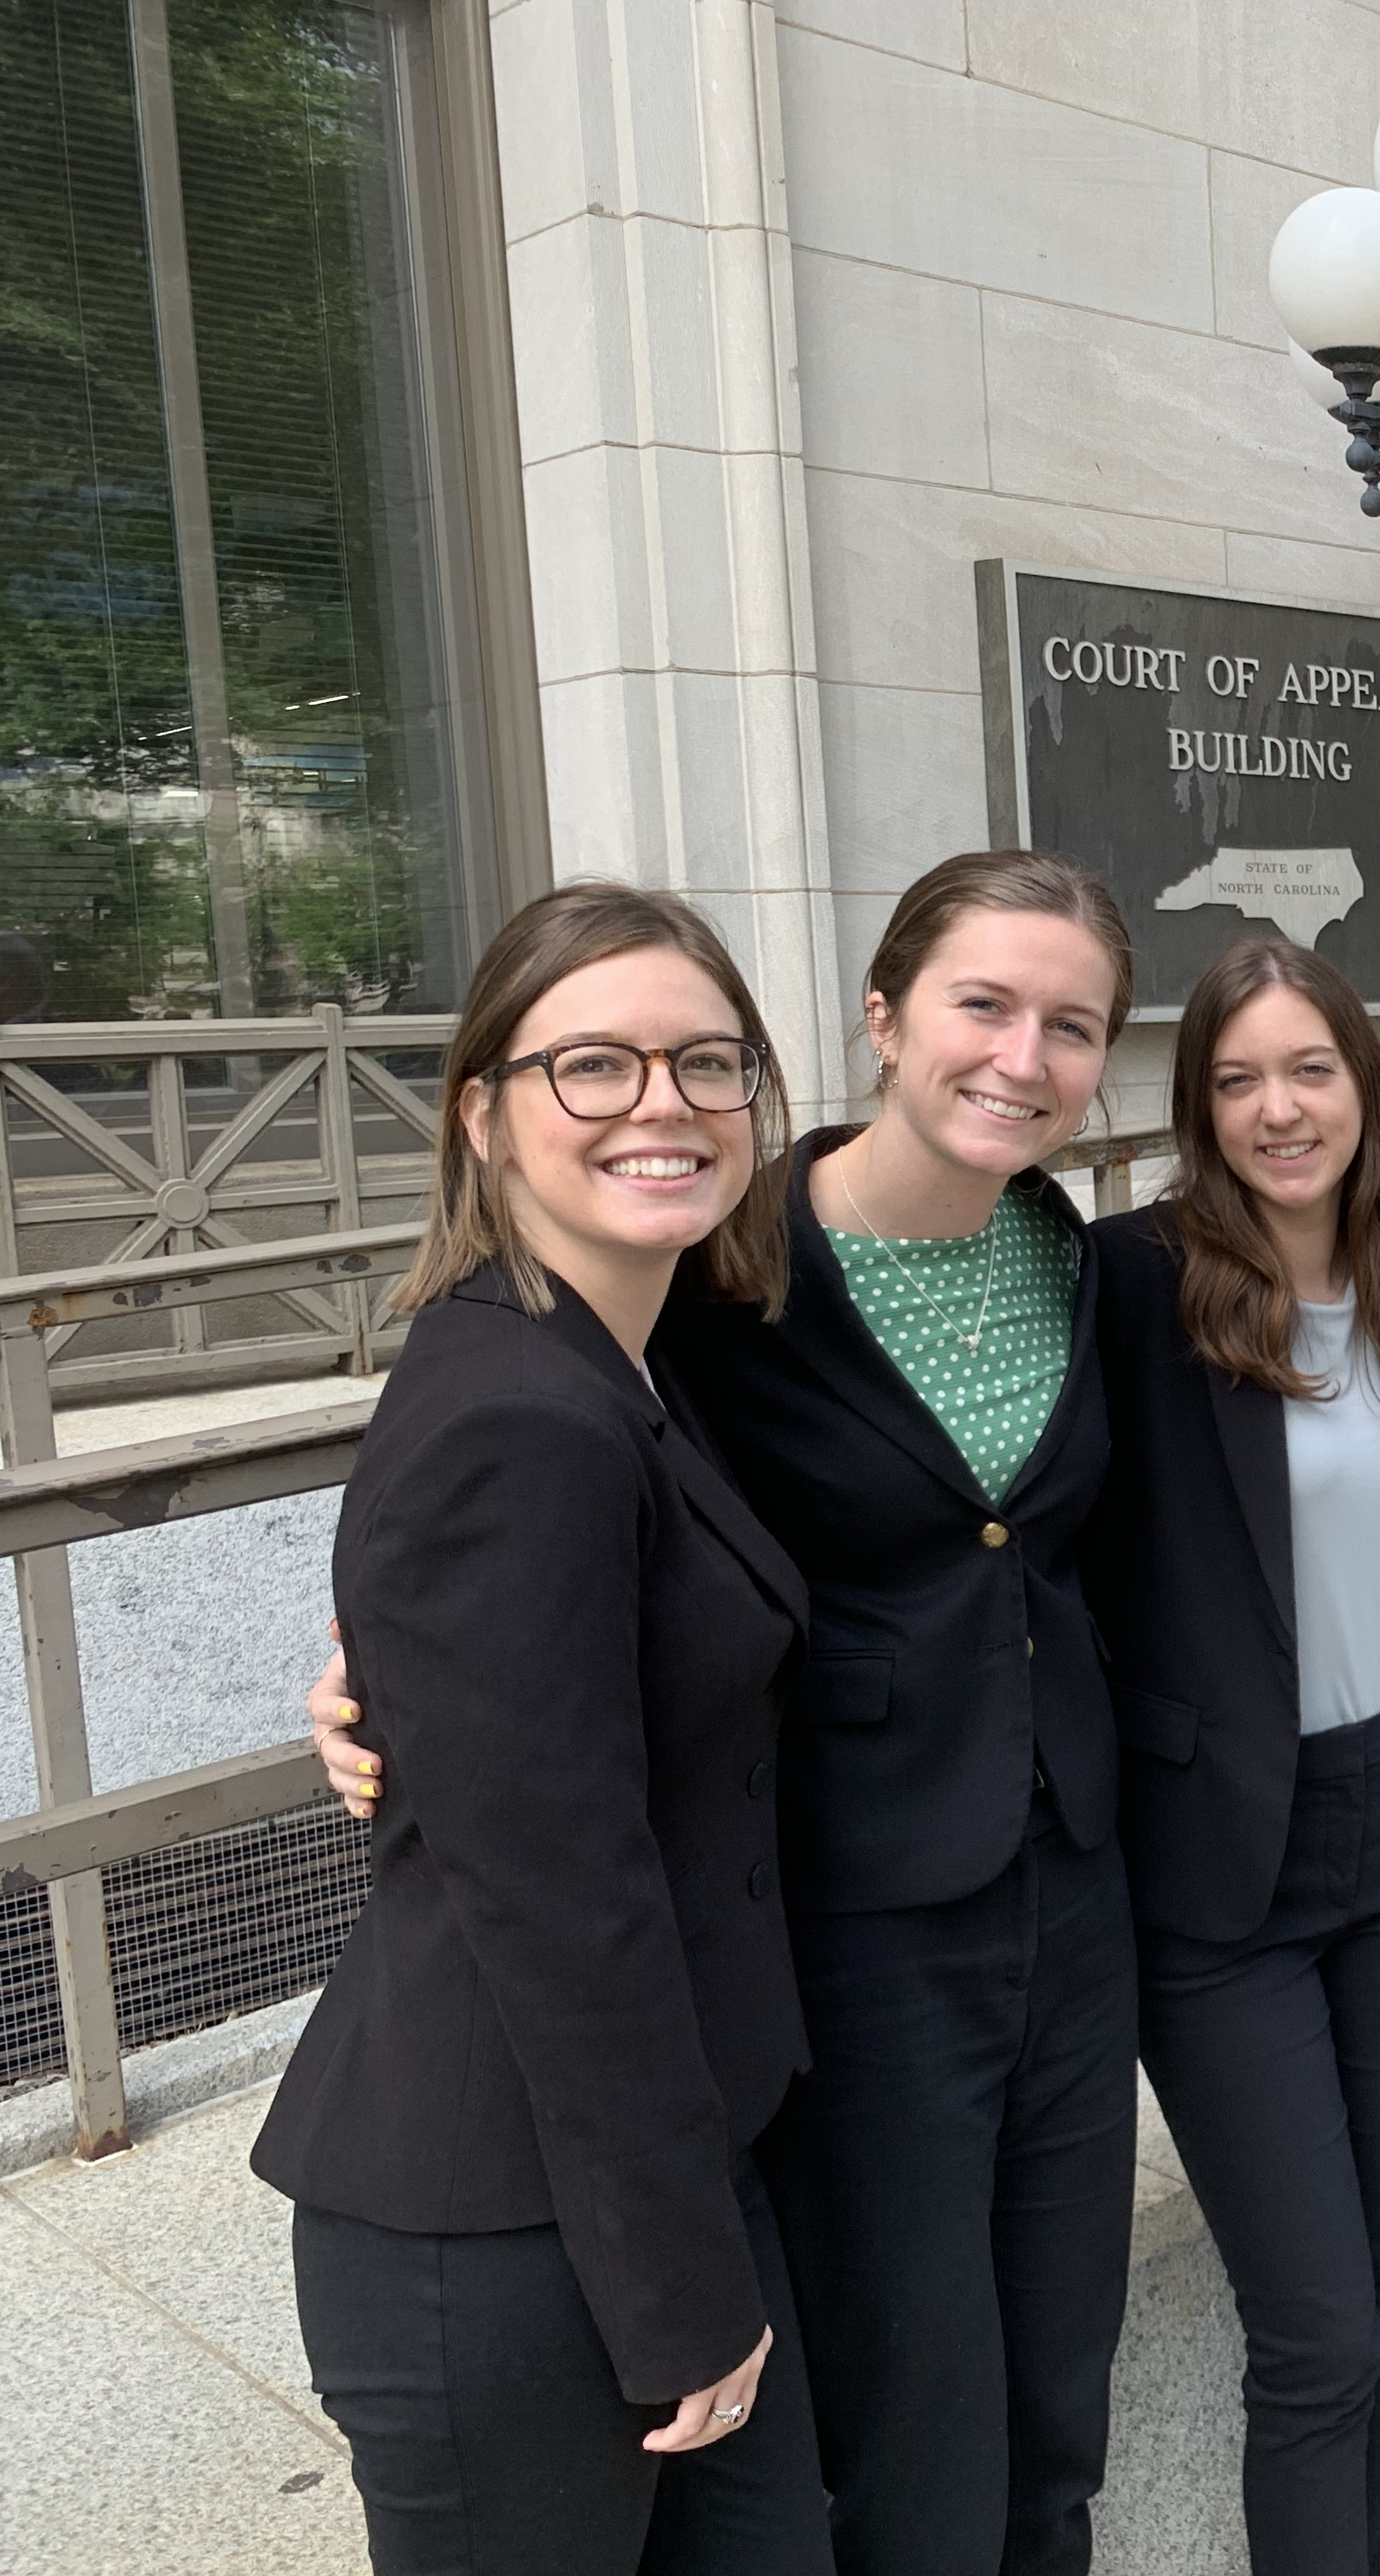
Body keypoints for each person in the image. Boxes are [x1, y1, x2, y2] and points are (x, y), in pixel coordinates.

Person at [313, 851, 1142, 2574]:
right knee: (916, 2416)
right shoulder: (713, 1277)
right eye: (984, 1004)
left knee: (1049, 2401)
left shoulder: (1074, 1260)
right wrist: (373, 1668)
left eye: (1073, 1024)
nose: (1023, 1054)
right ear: (883, 1020)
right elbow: (519, 1647)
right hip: (833, 1943)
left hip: (1054, 1897)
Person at [256, 883, 828, 2573]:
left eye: (706, 1062)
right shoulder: (521, 1411)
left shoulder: (622, 1357)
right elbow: (561, 1902)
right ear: (487, 1115)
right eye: (595, 1065)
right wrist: (679, 2300)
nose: (662, 1102)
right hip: (502, 2234)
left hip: (641, 2180)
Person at [1083, 939, 1380, 2576]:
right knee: (1322, 2328)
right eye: (1238, 1078)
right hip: (1224, 1870)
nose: (1281, 1109)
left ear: (1363, 1083)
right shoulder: (1135, 1286)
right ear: (1199, 1106)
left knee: (1376, 2286)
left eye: (1310, 1070)